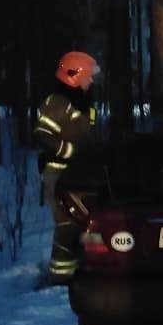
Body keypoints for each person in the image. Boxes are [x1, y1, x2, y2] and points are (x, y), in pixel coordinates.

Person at [33, 51, 100, 284]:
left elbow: (89, 135)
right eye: (88, 76)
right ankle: (60, 279)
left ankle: (81, 269)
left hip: (80, 173)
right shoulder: (56, 102)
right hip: (58, 172)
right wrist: (67, 150)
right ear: (74, 75)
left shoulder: (86, 104)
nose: (91, 81)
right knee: (66, 223)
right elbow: (42, 134)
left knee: (85, 221)